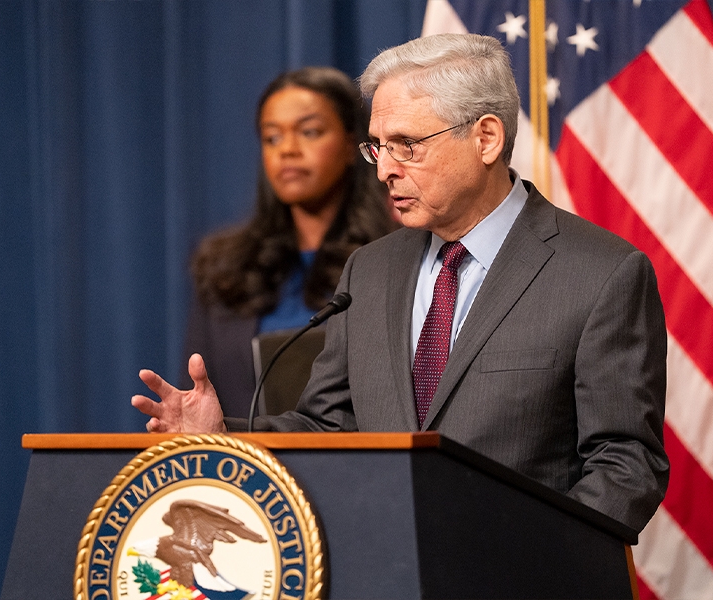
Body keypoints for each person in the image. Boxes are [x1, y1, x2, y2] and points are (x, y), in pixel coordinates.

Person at [133, 33, 669, 534]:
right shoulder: (371, 269)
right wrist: (224, 437)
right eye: (376, 147)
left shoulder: (601, 273)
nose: (384, 168)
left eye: (406, 145)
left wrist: (530, 557)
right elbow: (328, 427)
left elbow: (625, 463)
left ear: (485, 137)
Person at [180, 66, 396, 418]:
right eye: (272, 137)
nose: (288, 150)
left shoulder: (394, 259)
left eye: (309, 132)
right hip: (243, 468)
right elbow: (198, 391)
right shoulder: (222, 269)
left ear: (350, 144)